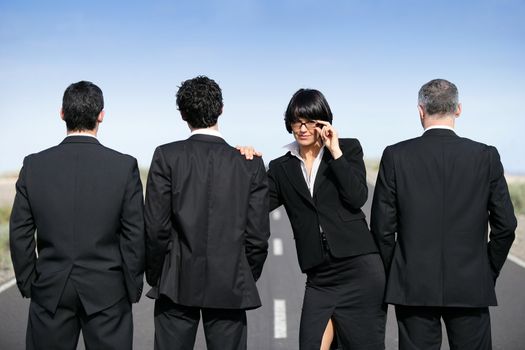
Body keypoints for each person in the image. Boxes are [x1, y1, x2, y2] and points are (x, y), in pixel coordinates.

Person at [371, 78, 517, 350]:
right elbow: (506, 226)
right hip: (471, 284)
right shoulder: (485, 156)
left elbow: (381, 229)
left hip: (412, 285)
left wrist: (399, 272)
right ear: (458, 109)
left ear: (420, 111)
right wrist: (487, 270)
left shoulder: (395, 155)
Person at [9, 81, 145, 350]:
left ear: (62, 113)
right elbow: (134, 234)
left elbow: (20, 232)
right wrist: (131, 287)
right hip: (108, 291)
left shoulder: (34, 165)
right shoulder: (123, 166)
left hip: (50, 290)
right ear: (101, 115)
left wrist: (29, 283)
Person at [144, 76, 270, 350]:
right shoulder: (250, 164)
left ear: (182, 114)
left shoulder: (166, 156)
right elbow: (258, 236)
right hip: (230, 282)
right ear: (221, 109)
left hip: (175, 281)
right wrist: (244, 273)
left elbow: (156, 227)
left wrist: (157, 275)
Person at [266, 89, 386, 349]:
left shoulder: (347, 148)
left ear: (324, 123)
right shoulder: (280, 167)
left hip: (360, 270)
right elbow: (257, 204)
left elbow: (358, 197)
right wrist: (246, 162)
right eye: (297, 121)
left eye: (310, 121)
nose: (303, 128)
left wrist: (336, 152)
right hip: (320, 277)